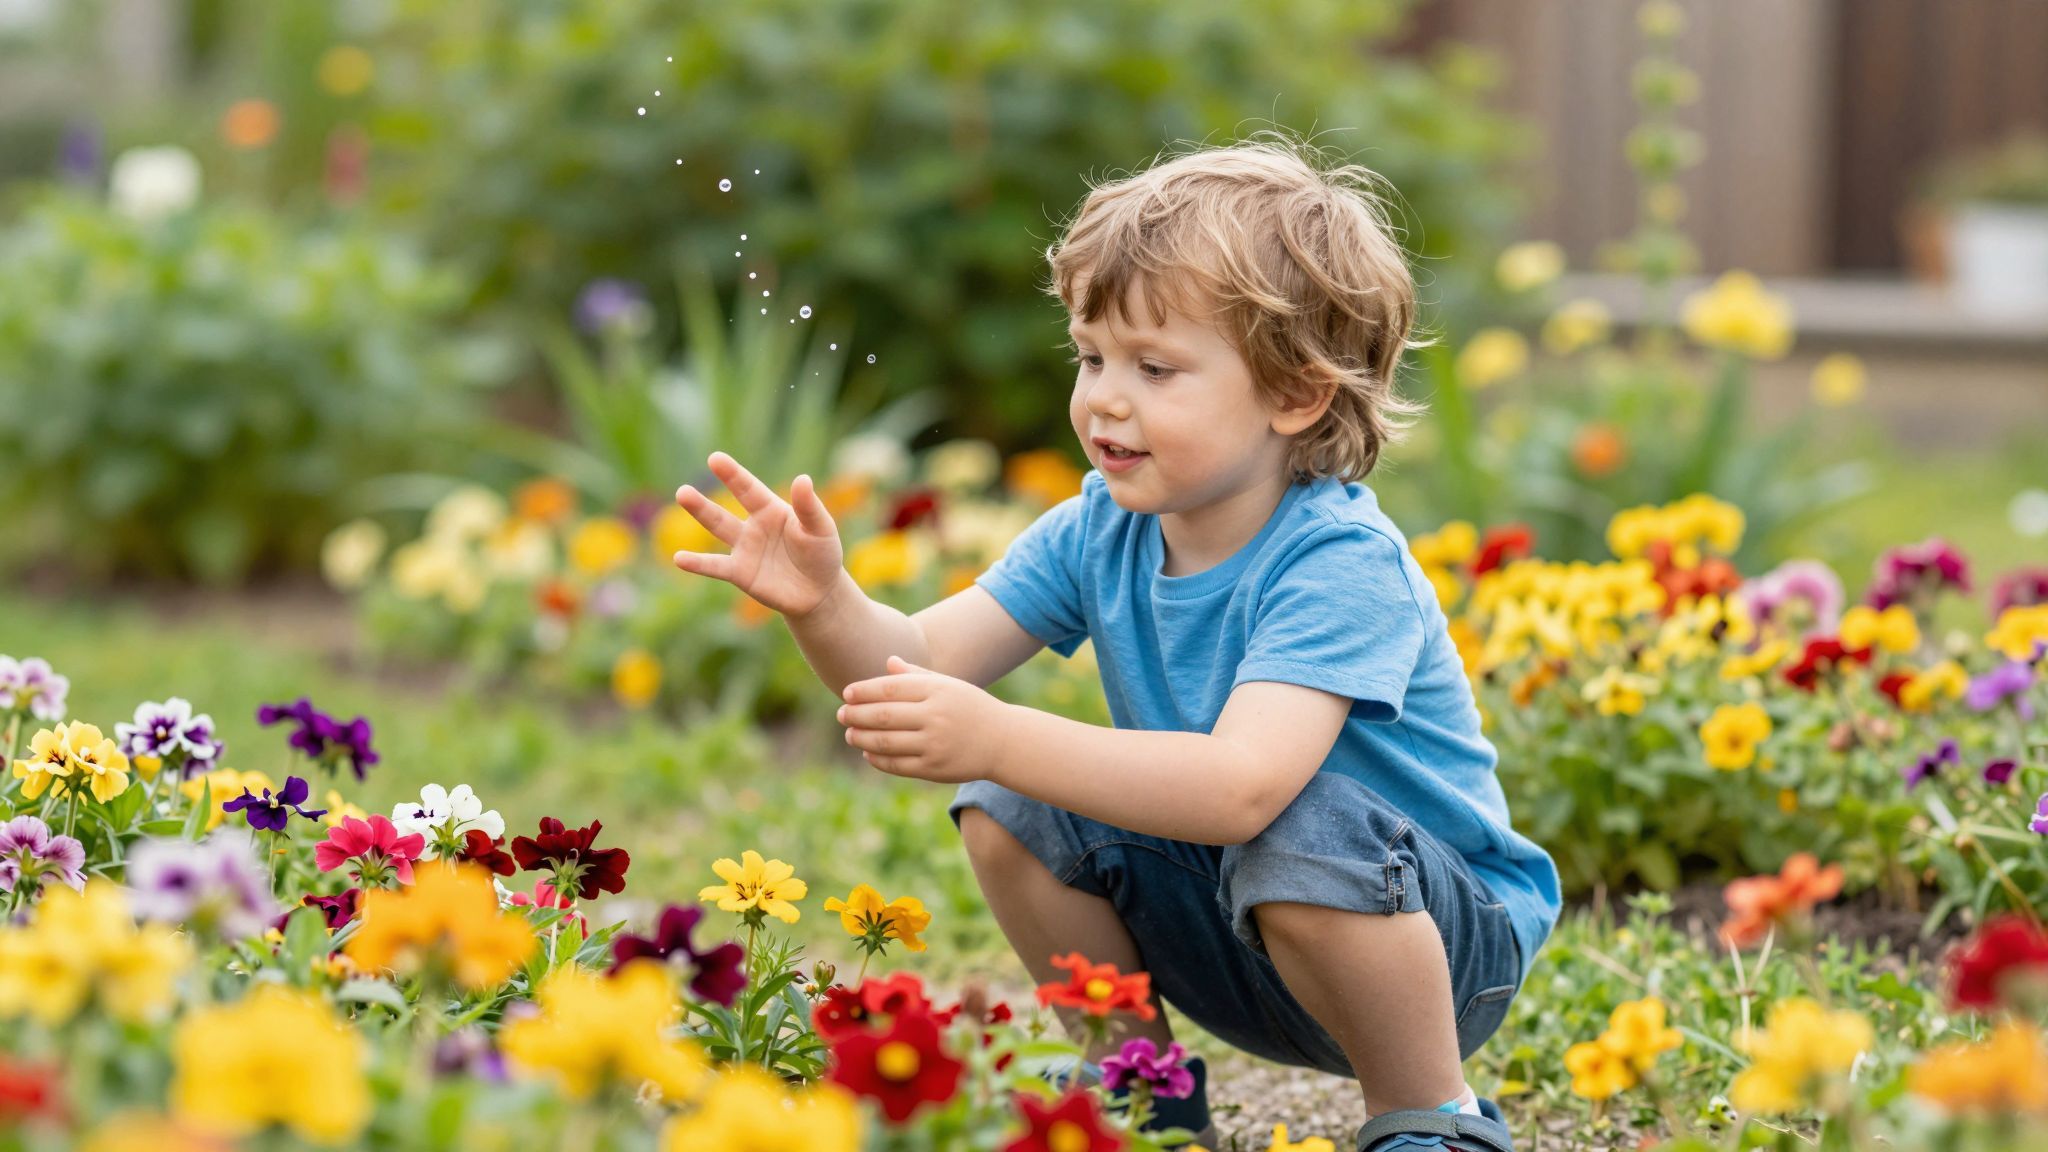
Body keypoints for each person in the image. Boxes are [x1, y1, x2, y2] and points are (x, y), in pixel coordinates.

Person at [667, 135, 1561, 1152]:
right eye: (1091, 357)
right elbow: (911, 666)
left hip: (1437, 952)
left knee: (1294, 816)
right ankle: (1141, 1090)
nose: (1103, 397)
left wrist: (999, 734)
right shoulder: (1100, 528)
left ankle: (1429, 1117)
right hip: (1245, 924)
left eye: (1155, 367)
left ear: (1294, 394)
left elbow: (1242, 790)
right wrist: (824, 603)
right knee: (1012, 803)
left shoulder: (1338, 562)